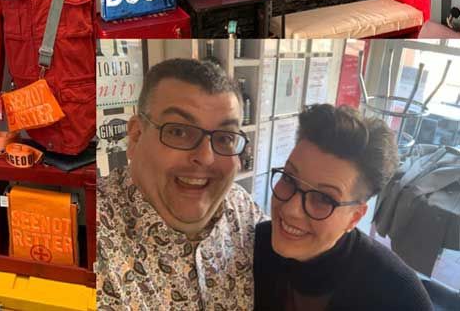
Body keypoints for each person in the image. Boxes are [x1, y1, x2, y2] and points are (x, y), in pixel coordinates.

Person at [97, 58, 263, 310]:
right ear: (136, 136)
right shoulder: (98, 232)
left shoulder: (242, 210)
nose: (206, 157)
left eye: (225, 138)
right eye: (179, 131)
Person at [254, 104, 432, 310]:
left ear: (354, 217)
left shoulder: (400, 298)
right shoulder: (254, 246)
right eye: (288, 178)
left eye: (323, 199)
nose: (290, 210)